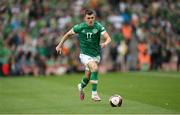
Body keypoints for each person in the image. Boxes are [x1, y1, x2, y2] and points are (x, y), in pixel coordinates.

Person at [56, 9, 111, 101]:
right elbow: (67, 35)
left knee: (87, 77)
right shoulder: (80, 27)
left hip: (95, 55)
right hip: (84, 55)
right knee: (95, 68)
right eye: (88, 18)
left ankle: (81, 86)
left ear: (94, 18)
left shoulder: (98, 26)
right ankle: (94, 94)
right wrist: (59, 45)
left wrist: (105, 43)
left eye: (92, 18)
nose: (90, 20)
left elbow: (108, 38)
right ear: (85, 18)